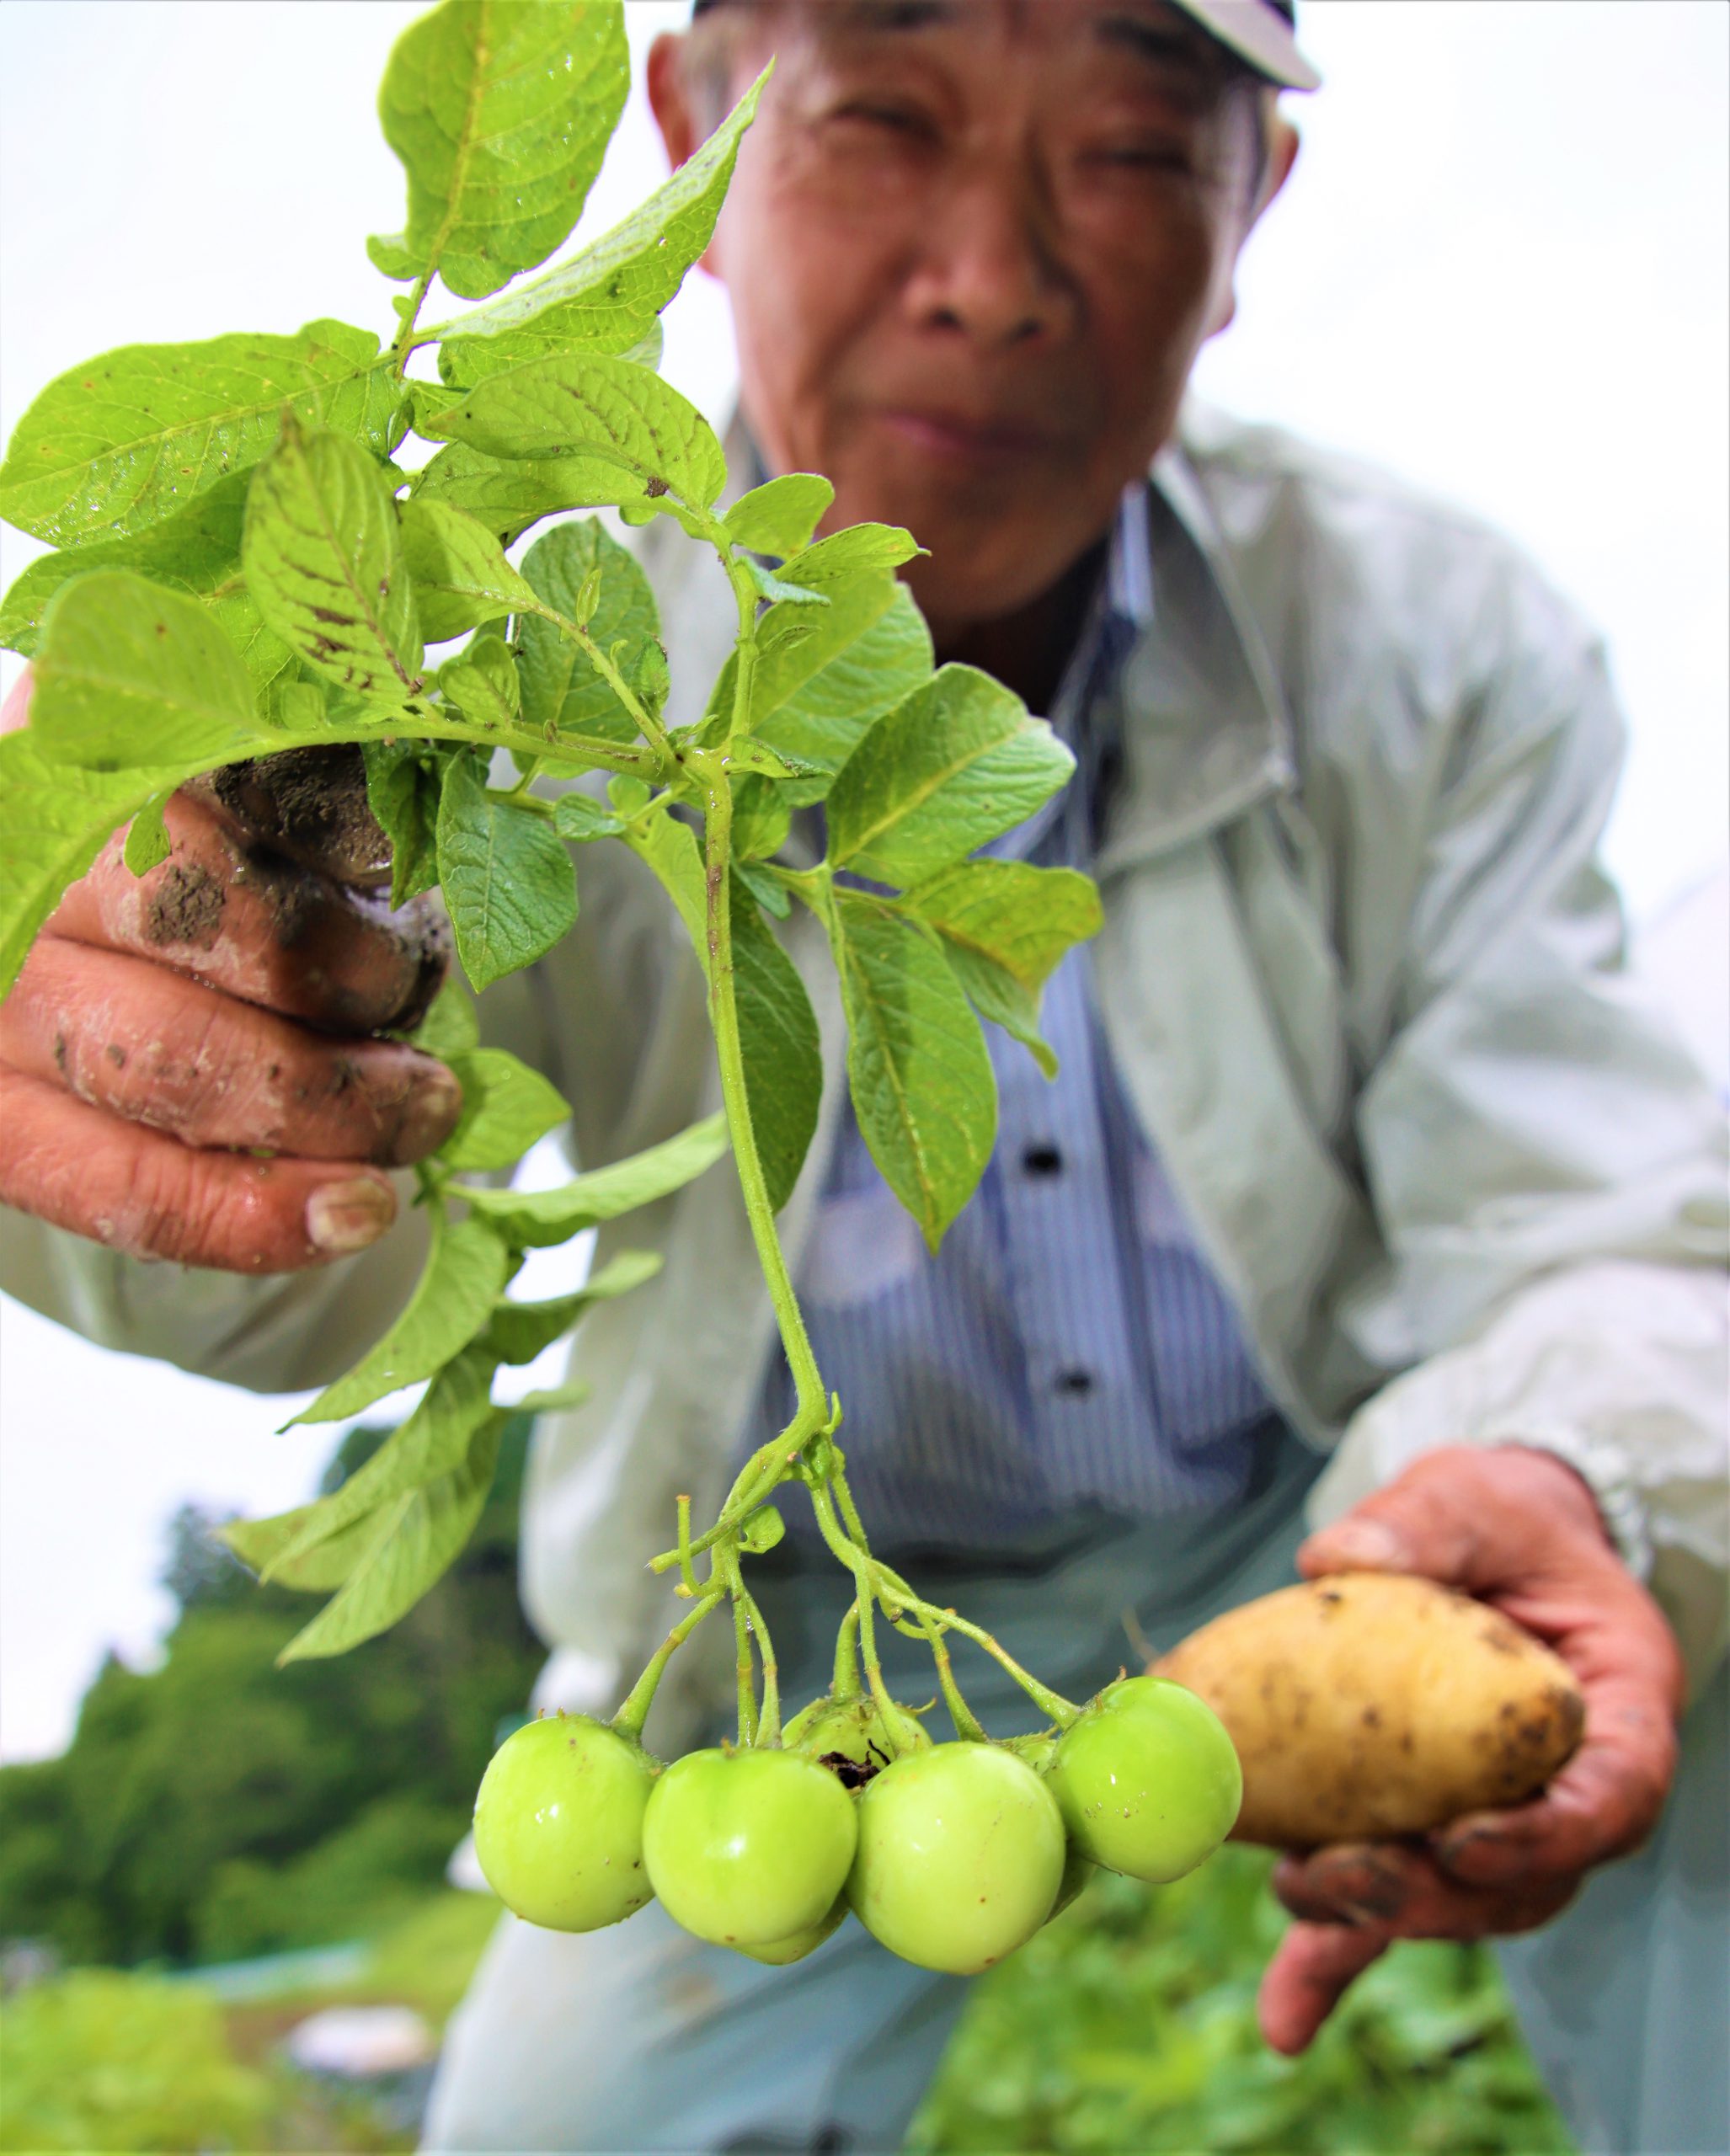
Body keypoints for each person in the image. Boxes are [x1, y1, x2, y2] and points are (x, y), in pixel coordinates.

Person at [1, 1, 1724, 2148]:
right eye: (885, 114)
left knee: (1674, 1637)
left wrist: (1571, 1462)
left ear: (1252, 200)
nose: (992, 273)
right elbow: (293, 1248)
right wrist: (128, 1050)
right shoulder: (492, 707)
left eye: (1122, 150)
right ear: (691, 141)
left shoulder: (1436, 644)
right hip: (778, 1618)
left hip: (1345, 1502)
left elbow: (1599, 1222)